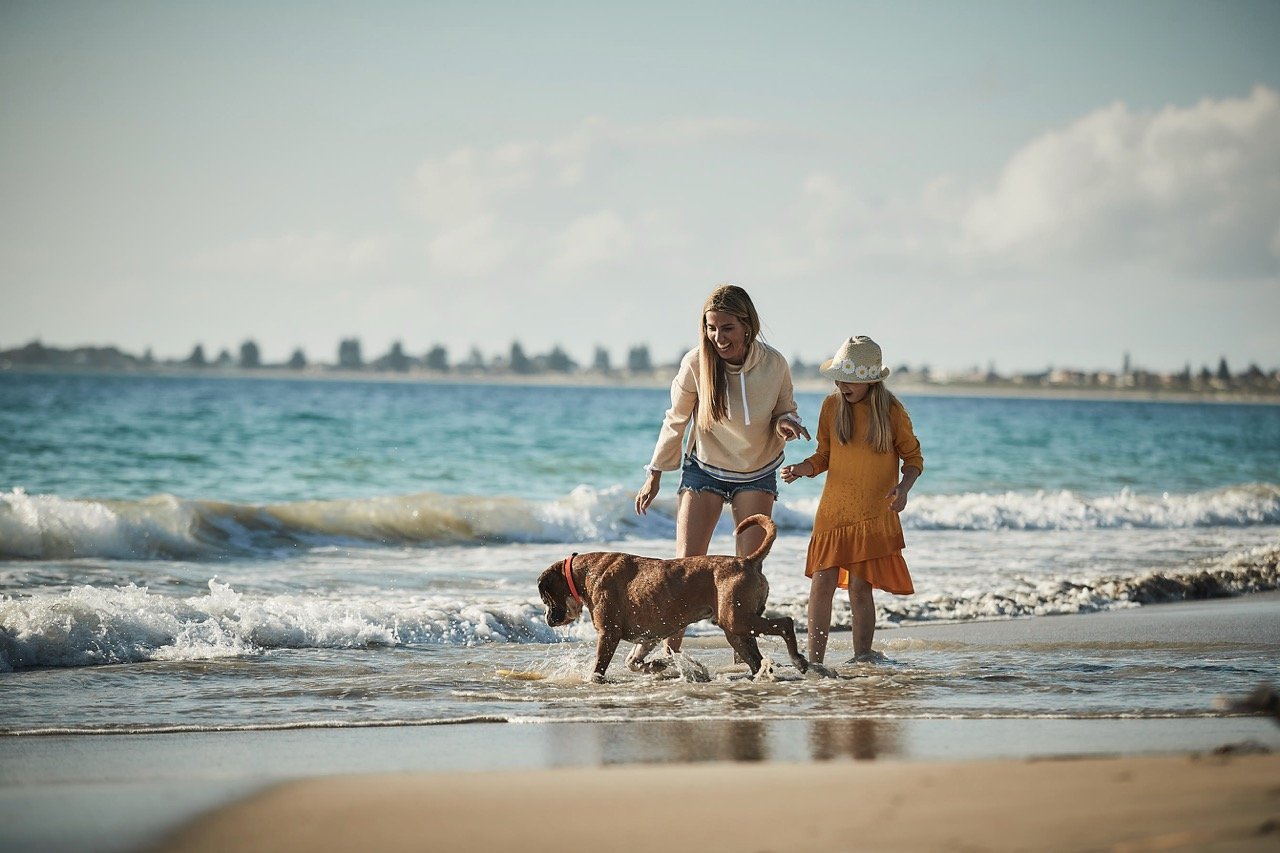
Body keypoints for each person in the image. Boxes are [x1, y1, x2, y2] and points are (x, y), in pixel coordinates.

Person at [634, 284, 810, 653]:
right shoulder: (695, 363)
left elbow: (783, 408)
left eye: (726, 328)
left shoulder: (774, 363)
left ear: (748, 325)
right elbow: (676, 419)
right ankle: (671, 656)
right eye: (711, 328)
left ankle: (742, 659)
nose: (718, 337)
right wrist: (655, 473)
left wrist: (787, 424)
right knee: (683, 569)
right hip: (705, 469)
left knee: (745, 572)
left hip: (757, 469)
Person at [781, 336, 923, 666]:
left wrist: (904, 487)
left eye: (850, 379)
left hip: (873, 513)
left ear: (870, 381)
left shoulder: (891, 411)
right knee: (821, 583)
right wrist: (804, 469)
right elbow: (825, 455)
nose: (841, 384)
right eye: (839, 377)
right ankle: (814, 662)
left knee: (860, 588)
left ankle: (862, 656)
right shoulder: (832, 407)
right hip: (834, 512)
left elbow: (913, 458)